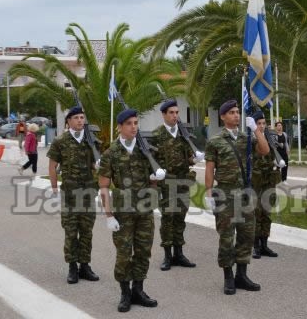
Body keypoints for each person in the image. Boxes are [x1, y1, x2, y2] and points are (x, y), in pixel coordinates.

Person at [99, 109, 162, 312]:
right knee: (124, 254)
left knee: (143, 252)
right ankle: (125, 293)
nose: (134, 126)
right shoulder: (110, 154)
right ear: (119, 127)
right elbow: (104, 187)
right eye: (129, 123)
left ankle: (139, 290)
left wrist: (156, 184)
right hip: (122, 213)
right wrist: (108, 215)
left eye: (136, 123)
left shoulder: (146, 150)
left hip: (144, 212)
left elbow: (153, 181)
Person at [204, 100, 269, 295]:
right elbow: (209, 168)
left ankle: (242, 275)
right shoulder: (215, 141)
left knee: (246, 235)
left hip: (246, 195)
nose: (236, 115)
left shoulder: (246, 137)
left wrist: (256, 130)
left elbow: (265, 150)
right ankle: (228, 277)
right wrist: (208, 192)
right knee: (226, 237)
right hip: (225, 194)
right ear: (223, 117)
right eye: (231, 112)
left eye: (237, 112)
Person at [47, 107, 100, 285]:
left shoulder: (91, 141)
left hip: (87, 194)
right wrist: (54, 190)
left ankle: (85, 266)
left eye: (82, 117)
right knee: (71, 232)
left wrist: (100, 166)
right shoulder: (60, 141)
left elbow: (95, 164)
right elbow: (52, 167)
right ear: (68, 121)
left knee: (87, 232)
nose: (80, 121)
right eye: (76, 118)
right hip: (69, 195)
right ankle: (72, 267)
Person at [150, 99, 204, 271]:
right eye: (171, 113)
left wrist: (194, 158)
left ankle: (179, 253)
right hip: (166, 184)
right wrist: (154, 178)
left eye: (177, 112)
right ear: (164, 115)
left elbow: (188, 156)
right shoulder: (156, 135)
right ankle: (167, 256)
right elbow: (150, 161)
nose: (175, 116)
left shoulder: (183, 134)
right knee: (168, 219)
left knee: (180, 218)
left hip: (182, 182)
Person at [250, 111, 280, 259]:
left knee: (267, 213)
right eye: (259, 124)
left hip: (268, 181)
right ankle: (255, 245)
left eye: (263, 123)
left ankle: (264, 244)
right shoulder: (251, 140)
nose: (262, 126)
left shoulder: (270, 139)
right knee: (256, 214)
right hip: (256, 183)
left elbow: (274, 156)